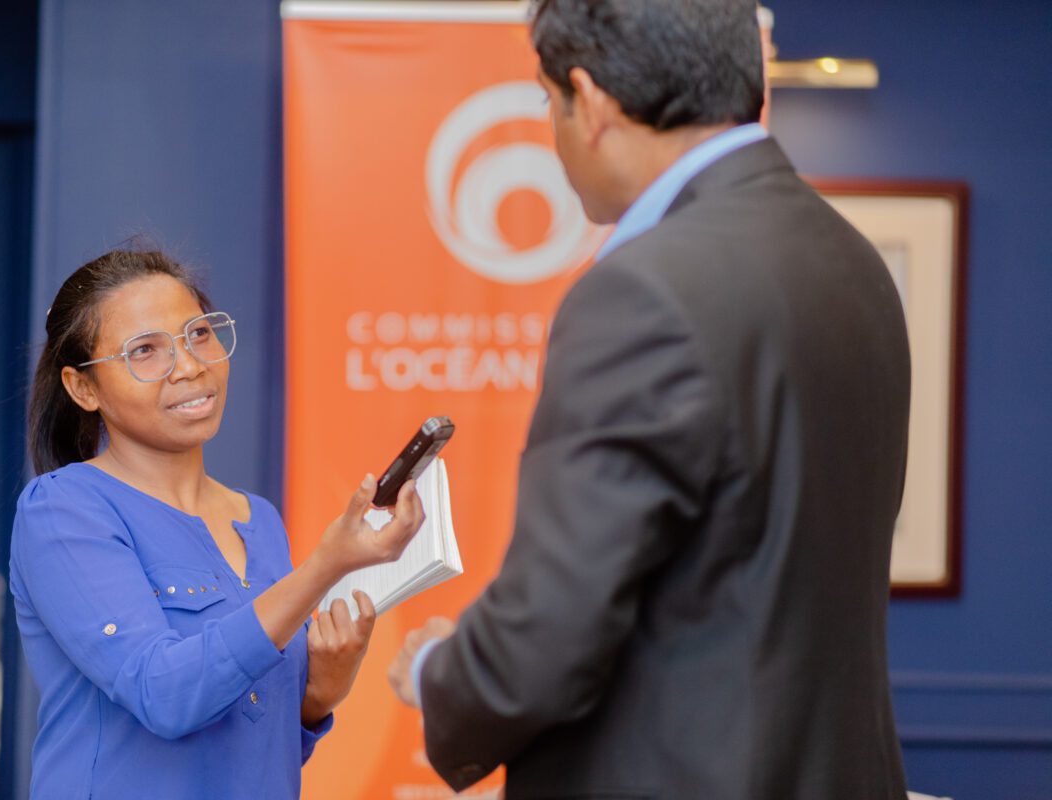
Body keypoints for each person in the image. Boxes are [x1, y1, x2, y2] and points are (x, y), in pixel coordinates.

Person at [387, 0, 911, 798]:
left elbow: (548, 639)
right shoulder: (851, 259)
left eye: (548, 101)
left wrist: (436, 668)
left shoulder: (641, 291)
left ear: (592, 102)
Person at [11, 248, 424, 799]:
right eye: (145, 351)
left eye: (199, 334)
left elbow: (257, 739)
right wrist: (325, 567)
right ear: (83, 387)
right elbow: (164, 696)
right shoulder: (62, 510)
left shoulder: (260, 519)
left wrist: (322, 692)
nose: (188, 366)